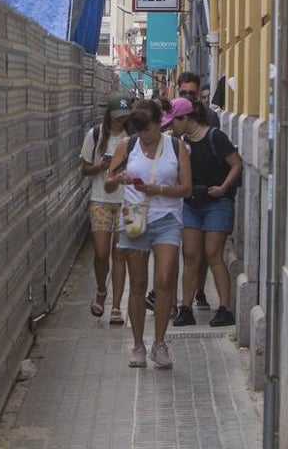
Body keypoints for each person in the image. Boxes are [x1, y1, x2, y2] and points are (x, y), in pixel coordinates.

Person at [106, 99, 192, 369]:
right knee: (139, 283)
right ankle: (138, 345)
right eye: (139, 130)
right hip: (135, 219)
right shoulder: (127, 146)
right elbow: (109, 184)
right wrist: (116, 180)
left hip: (167, 218)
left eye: (149, 129)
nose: (144, 135)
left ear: (159, 123)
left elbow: (187, 189)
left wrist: (161, 191)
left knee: (165, 277)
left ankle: (160, 343)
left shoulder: (176, 147)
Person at [171, 99, 243, 327]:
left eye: (174, 121)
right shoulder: (181, 142)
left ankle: (225, 308)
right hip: (192, 203)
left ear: (185, 118)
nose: (172, 126)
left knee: (213, 254)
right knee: (190, 255)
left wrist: (223, 187)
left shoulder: (215, 137)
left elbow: (236, 164)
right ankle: (186, 307)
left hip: (217, 203)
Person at [79, 95, 134, 325]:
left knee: (120, 253)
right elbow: (84, 170)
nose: (121, 121)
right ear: (109, 114)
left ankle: (116, 306)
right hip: (100, 199)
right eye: (117, 116)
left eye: (125, 117)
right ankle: (102, 289)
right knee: (101, 252)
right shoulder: (94, 135)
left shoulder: (132, 138)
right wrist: (100, 166)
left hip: (127, 202)